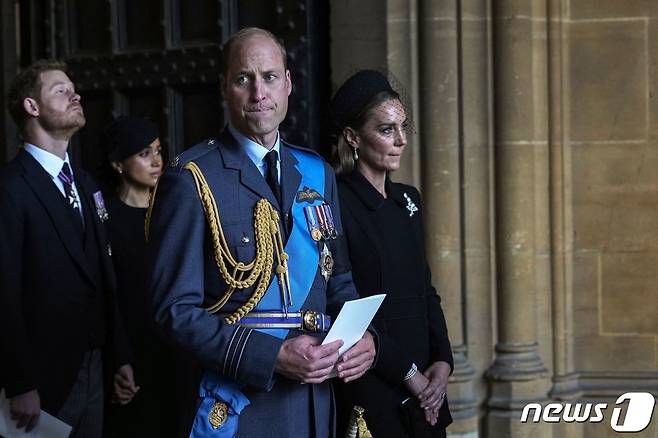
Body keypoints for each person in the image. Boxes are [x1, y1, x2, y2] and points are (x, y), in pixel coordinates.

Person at [146, 27, 376, 438]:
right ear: (224, 88)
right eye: (243, 79)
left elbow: (338, 281)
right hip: (240, 406)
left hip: (314, 401)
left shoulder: (317, 172)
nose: (258, 93)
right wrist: (271, 357)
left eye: (269, 77)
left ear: (288, 84)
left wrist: (364, 339)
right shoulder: (192, 177)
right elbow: (174, 311)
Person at [0, 59, 138, 437]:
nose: (75, 94)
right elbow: (4, 292)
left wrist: (120, 356)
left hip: (94, 368)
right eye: (60, 90)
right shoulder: (10, 188)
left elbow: (103, 275)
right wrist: (19, 383)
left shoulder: (85, 181)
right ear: (32, 107)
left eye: (73, 88)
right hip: (41, 380)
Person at [330, 70, 454, 438]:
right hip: (374, 382)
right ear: (353, 137)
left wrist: (442, 362)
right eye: (386, 130)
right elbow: (343, 305)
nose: (401, 140)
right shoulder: (335, 202)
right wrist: (408, 374)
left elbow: (425, 290)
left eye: (403, 127)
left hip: (426, 387)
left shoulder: (408, 200)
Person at [101, 116, 177, 437]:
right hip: (126, 352)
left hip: (174, 349)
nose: (157, 161)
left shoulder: (173, 210)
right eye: (145, 153)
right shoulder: (103, 218)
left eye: (158, 151)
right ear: (119, 163)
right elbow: (107, 294)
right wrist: (119, 360)